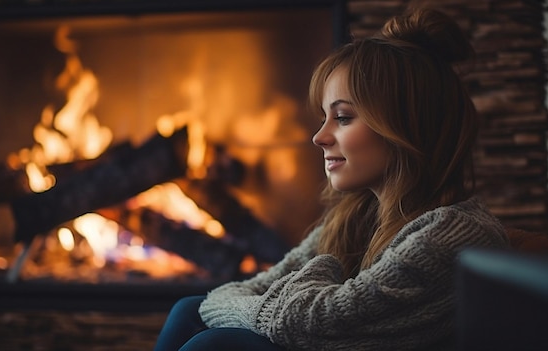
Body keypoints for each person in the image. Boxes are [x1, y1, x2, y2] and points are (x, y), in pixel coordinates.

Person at [154, 8, 510, 351]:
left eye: (342, 118)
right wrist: (276, 305)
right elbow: (234, 295)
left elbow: (306, 321)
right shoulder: (356, 218)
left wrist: (288, 298)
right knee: (188, 309)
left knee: (219, 344)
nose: (319, 137)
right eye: (324, 117)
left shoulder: (451, 234)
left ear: (405, 126)